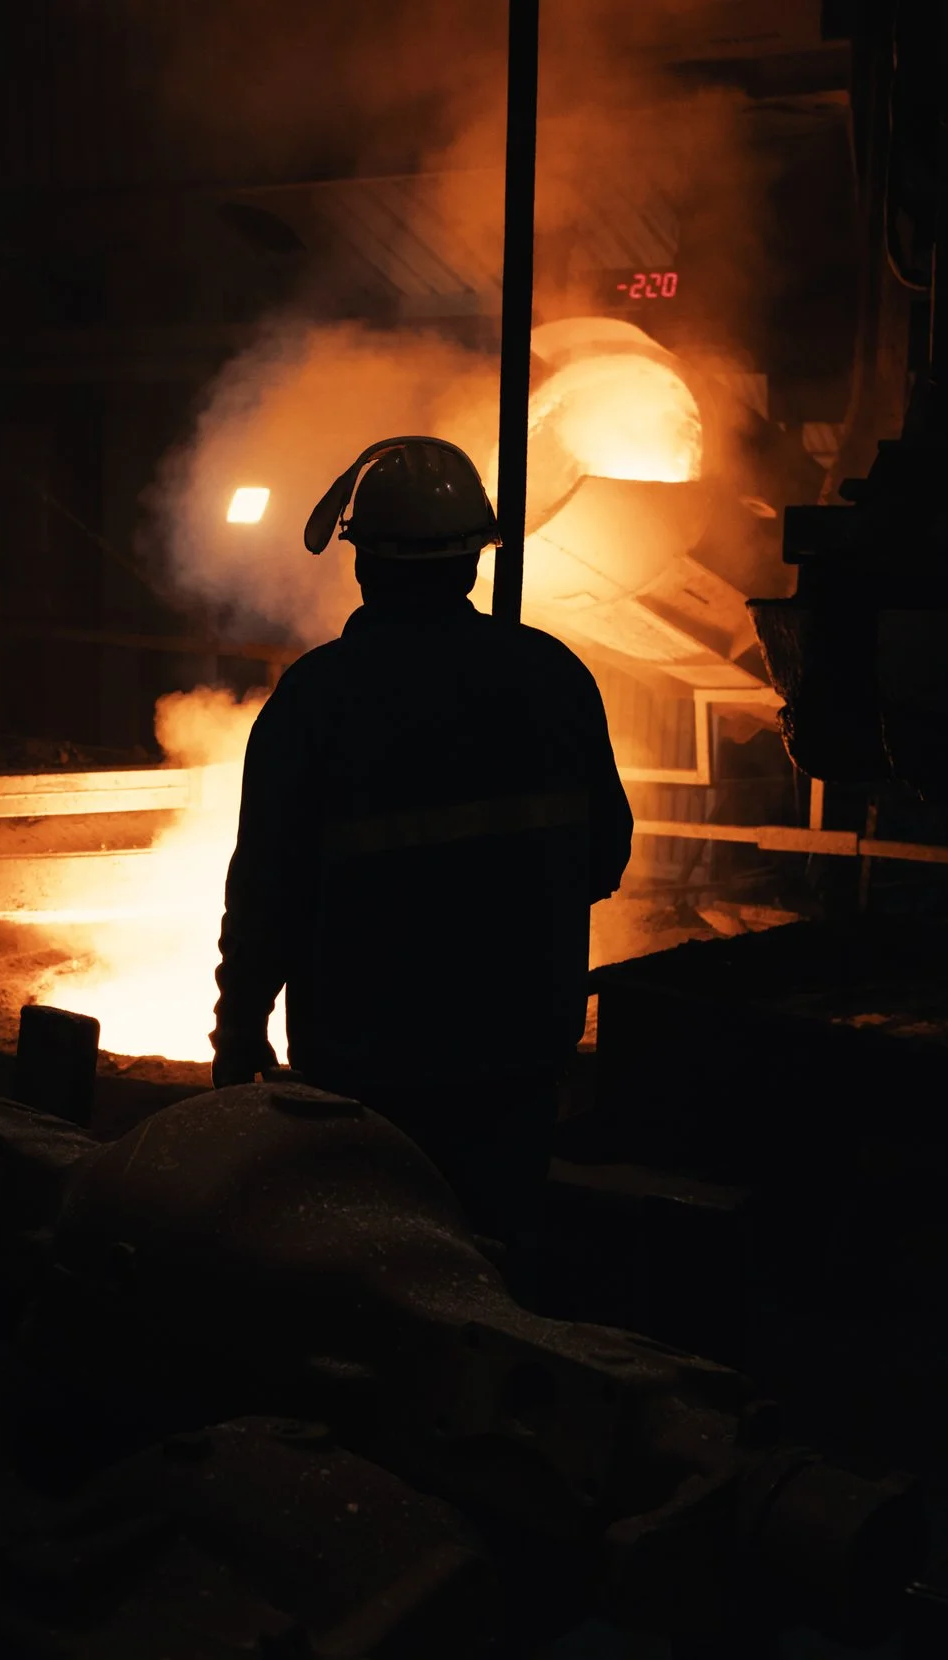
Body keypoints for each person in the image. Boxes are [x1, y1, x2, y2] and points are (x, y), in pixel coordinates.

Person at [210, 436, 633, 1291]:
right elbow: (605, 857)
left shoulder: (320, 698)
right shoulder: (554, 676)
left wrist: (241, 1024)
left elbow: (269, 893)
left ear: (362, 565)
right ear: (473, 565)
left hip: (370, 1057)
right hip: (518, 1049)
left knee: (370, 1267)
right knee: (495, 1262)